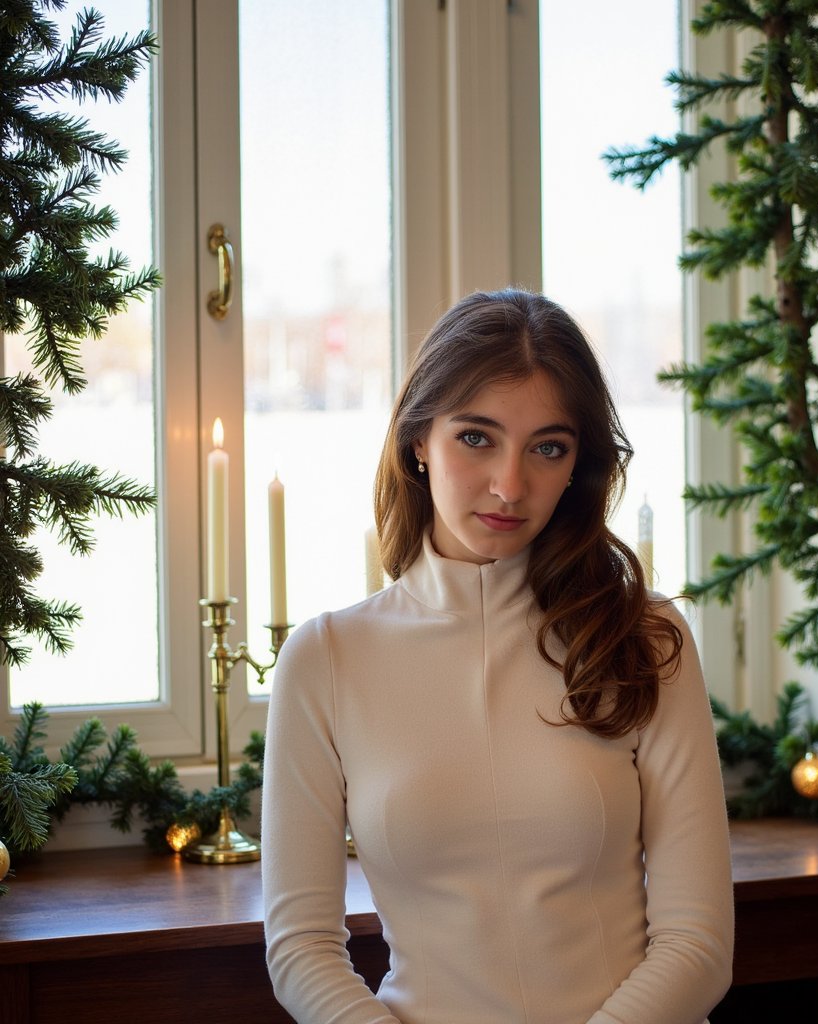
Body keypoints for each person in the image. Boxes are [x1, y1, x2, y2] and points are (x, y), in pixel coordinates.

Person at [262, 288, 734, 1024]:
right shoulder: (326, 658)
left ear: (578, 464)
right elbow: (300, 946)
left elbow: (698, 942)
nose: (510, 486)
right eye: (476, 438)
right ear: (419, 440)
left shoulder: (642, 636)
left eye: (548, 448)